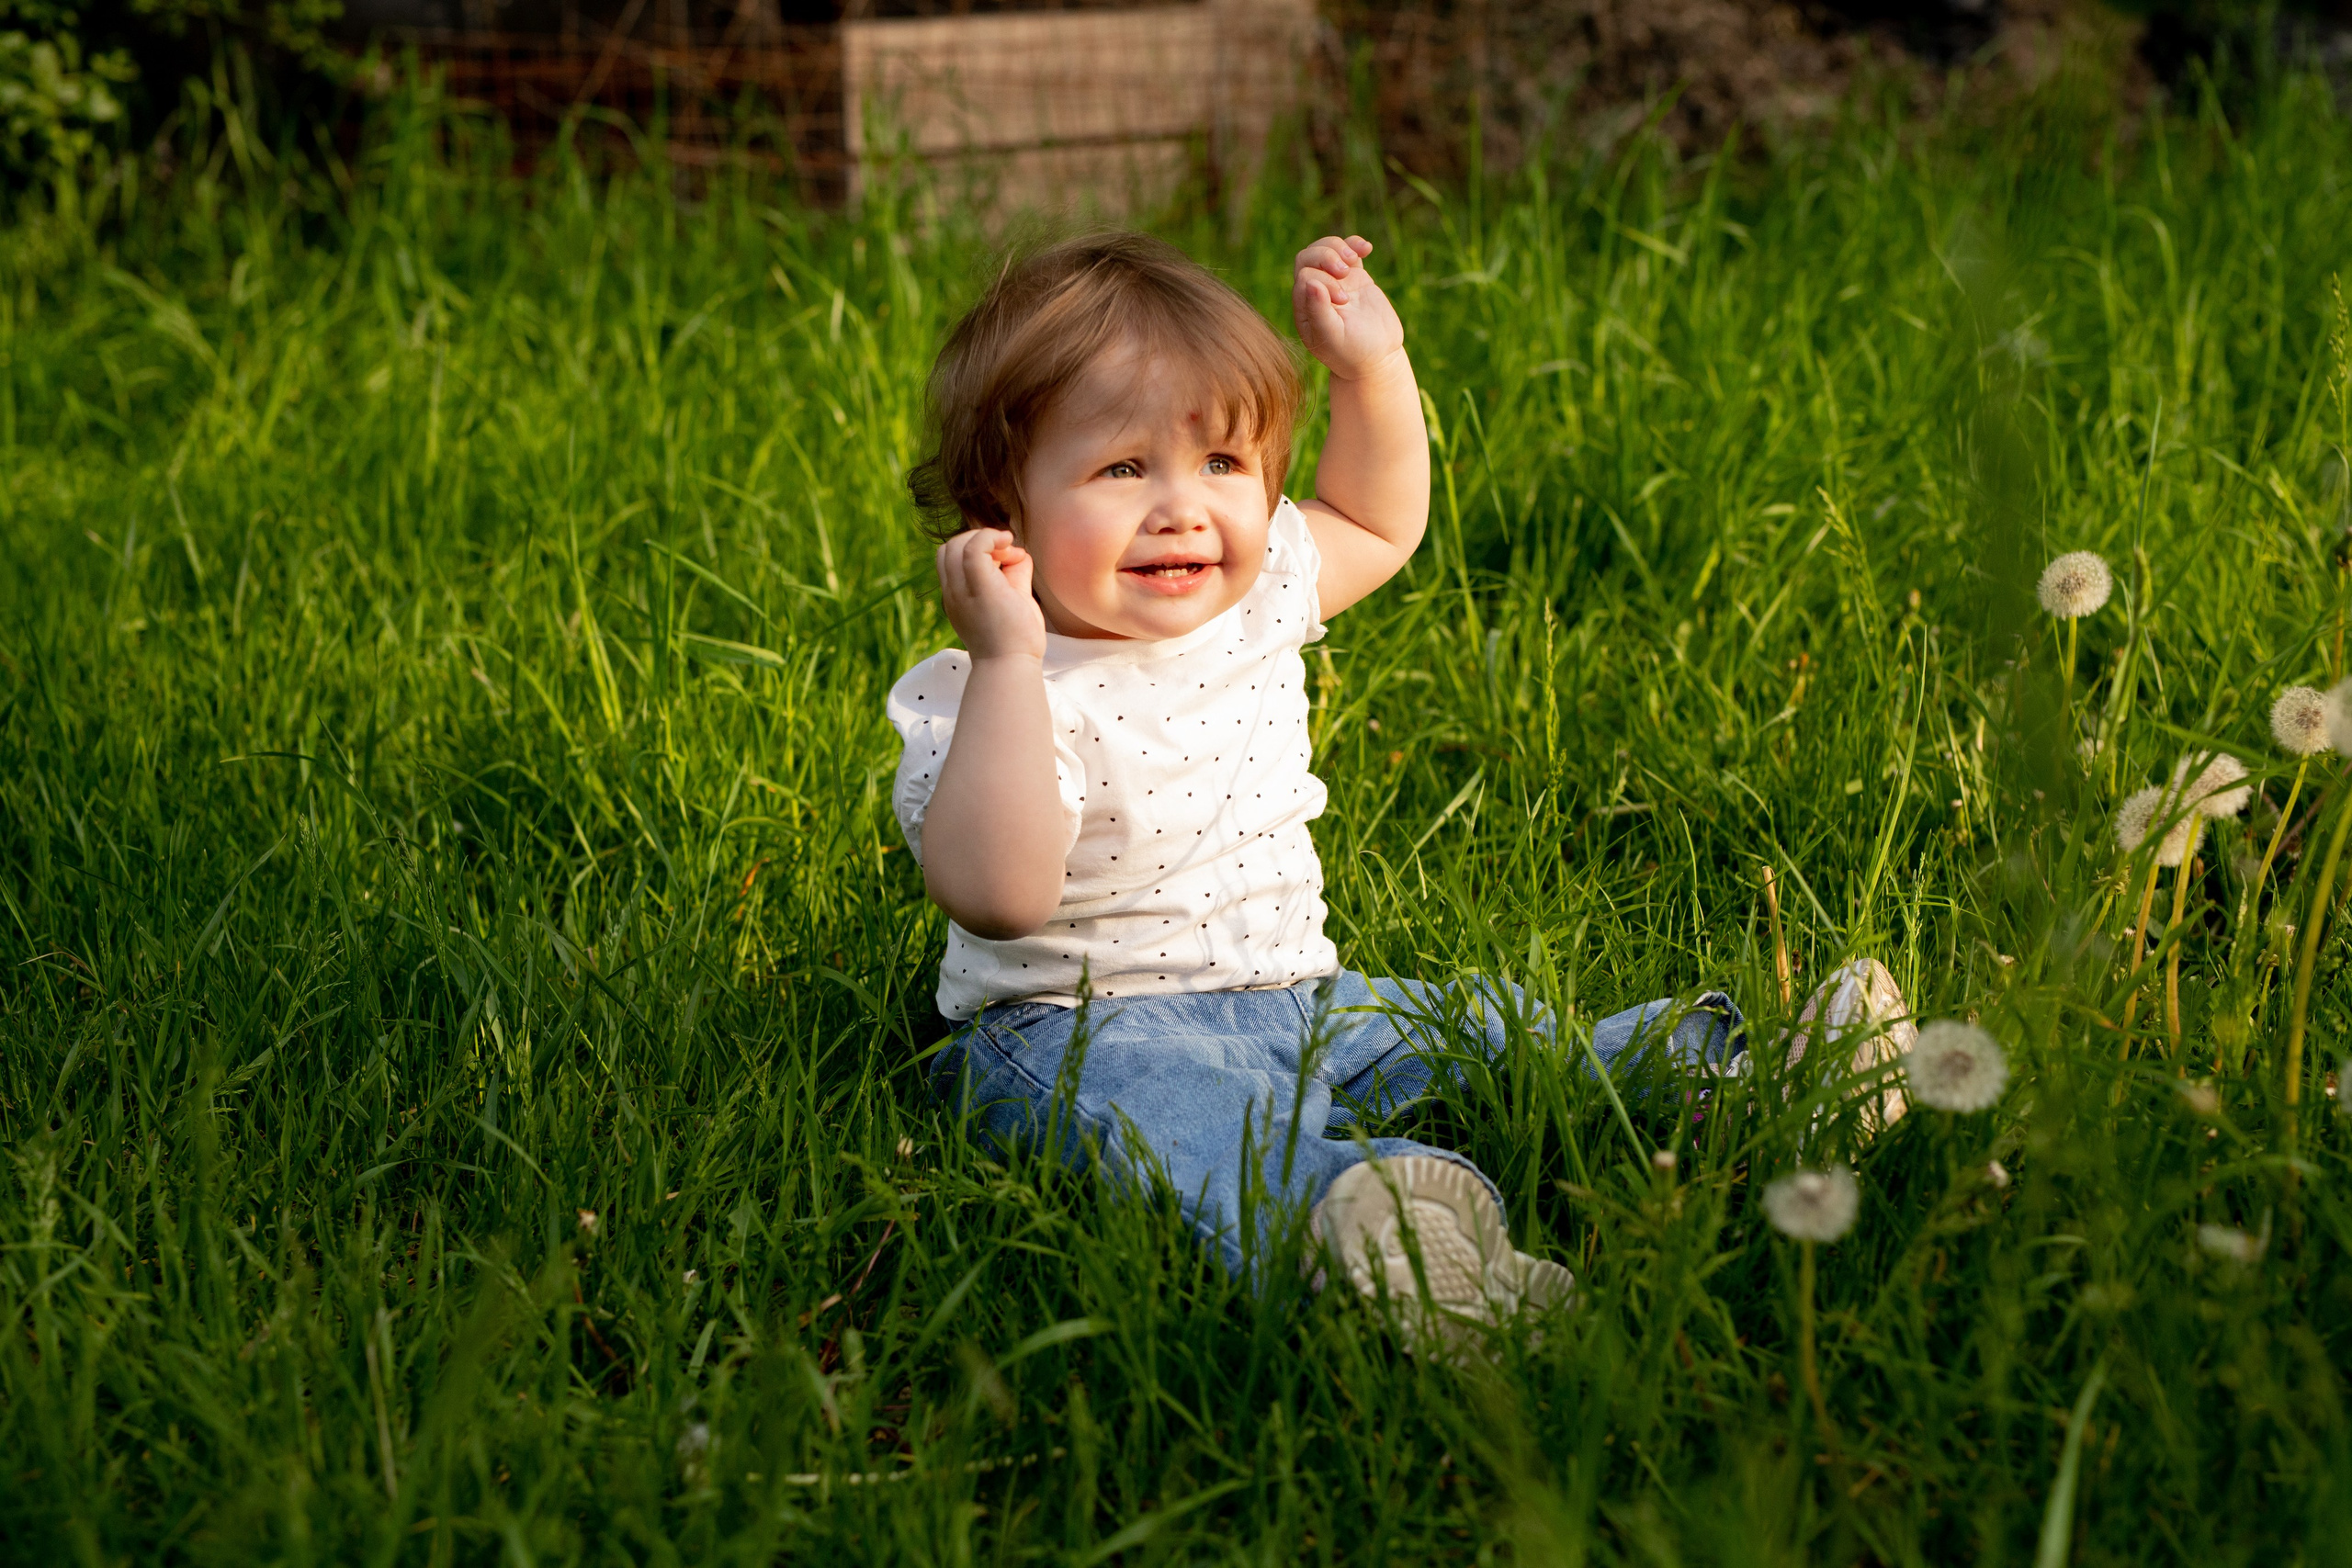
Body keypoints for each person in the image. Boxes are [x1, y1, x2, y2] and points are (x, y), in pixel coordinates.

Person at [887, 231, 1911, 1348]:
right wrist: (1005, 660)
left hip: (1305, 997)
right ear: (1002, 505)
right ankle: (1377, 1242)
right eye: (1122, 469)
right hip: (1074, 1037)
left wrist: (1373, 369)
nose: (1183, 508)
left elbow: (1378, 521)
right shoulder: (991, 692)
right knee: (1189, 1131)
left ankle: (1753, 1079)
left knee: (1499, 1029)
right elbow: (999, 895)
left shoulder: (1253, 599)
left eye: (1222, 464)